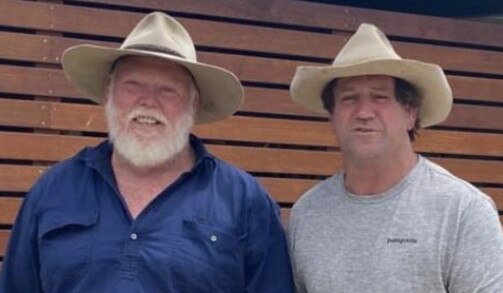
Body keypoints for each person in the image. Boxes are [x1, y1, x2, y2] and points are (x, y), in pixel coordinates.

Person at [0, 12, 294, 293]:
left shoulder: (244, 202)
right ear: (108, 94)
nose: (148, 102)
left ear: (193, 105)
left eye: (167, 90)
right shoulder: (52, 191)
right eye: (133, 85)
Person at [288, 23, 503, 292]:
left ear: (410, 113)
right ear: (332, 115)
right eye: (349, 98)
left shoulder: (461, 211)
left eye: (380, 97)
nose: (364, 112)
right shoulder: (307, 214)